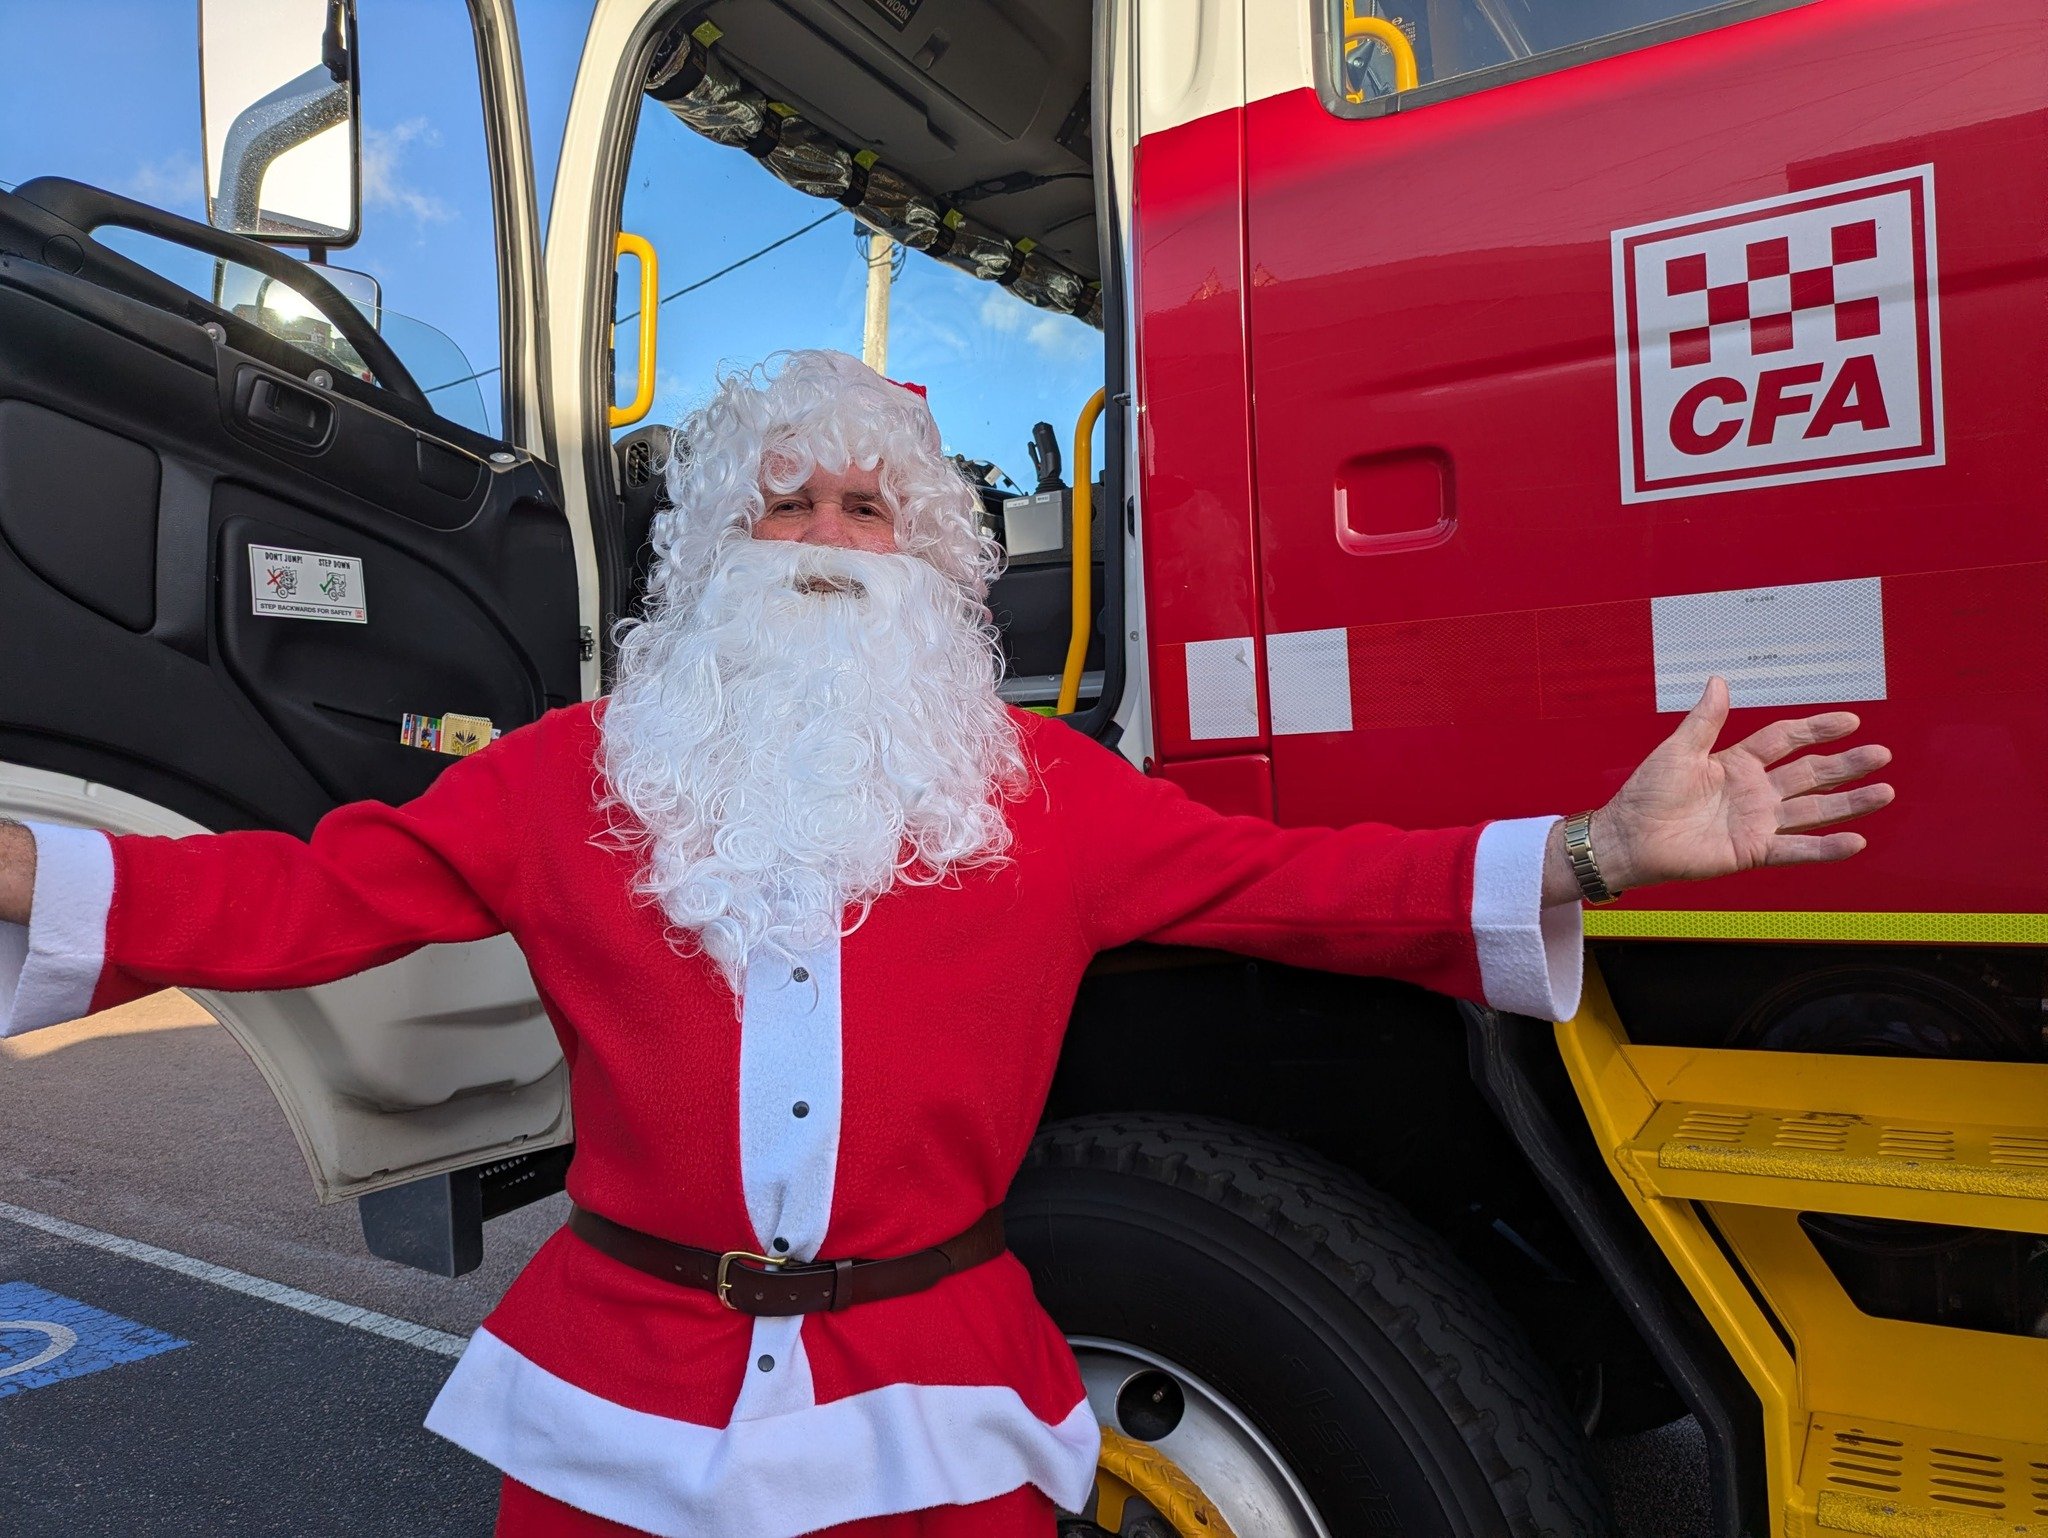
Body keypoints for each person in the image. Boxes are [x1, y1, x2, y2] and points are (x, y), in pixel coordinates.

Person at [0, 350, 1892, 1538]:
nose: (827, 538)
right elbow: (304, 898)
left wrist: (1594, 848)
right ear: (712, 555)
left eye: (869, 507)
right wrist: (31, 867)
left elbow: (1307, 886)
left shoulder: (1047, 789)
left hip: (937, 1407)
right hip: (620, 1401)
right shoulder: (575, 775)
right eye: (784, 501)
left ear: (932, 560)